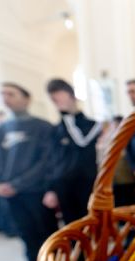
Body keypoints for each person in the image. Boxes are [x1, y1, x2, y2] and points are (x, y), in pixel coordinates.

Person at [0, 82, 57, 261]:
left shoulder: (43, 127)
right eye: (3, 94)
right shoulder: (1, 129)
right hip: (10, 193)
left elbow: (46, 161)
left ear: (26, 99)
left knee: (45, 229)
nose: (6, 98)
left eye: (11, 94)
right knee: (24, 230)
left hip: (36, 191)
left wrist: (18, 184)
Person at [43, 78, 102, 223]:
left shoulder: (93, 125)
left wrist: (67, 117)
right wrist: (51, 189)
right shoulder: (55, 129)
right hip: (63, 186)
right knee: (70, 225)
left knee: (91, 223)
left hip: (87, 183)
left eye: (60, 95)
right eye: (53, 98)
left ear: (71, 95)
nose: (57, 100)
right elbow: (52, 160)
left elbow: (82, 142)